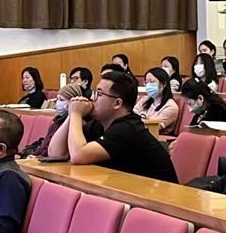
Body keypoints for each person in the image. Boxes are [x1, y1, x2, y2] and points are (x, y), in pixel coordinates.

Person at [48, 71, 177, 183]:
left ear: (117, 103)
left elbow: (78, 156)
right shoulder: (100, 122)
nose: (92, 99)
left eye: (99, 94)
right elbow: (55, 153)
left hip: (158, 197)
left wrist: (76, 114)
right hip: (130, 191)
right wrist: (71, 114)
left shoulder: (127, 128)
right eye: (94, 92)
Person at [23, 84, 84, 158]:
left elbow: (60, 153)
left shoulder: (76, 126)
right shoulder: (56, 122)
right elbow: (44, 147)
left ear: (72, 103)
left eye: (61, 100)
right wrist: (34, 155)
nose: (58, 103)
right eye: (57, 99)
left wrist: (39, 158)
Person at [133, 68, 179, 135]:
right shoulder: (145, 99)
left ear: (164, 84)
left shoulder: (170, 107)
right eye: (146, 82)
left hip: (155, 138)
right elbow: (131, 115)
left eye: (152, 82)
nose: (148, 85)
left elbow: (152, 128)